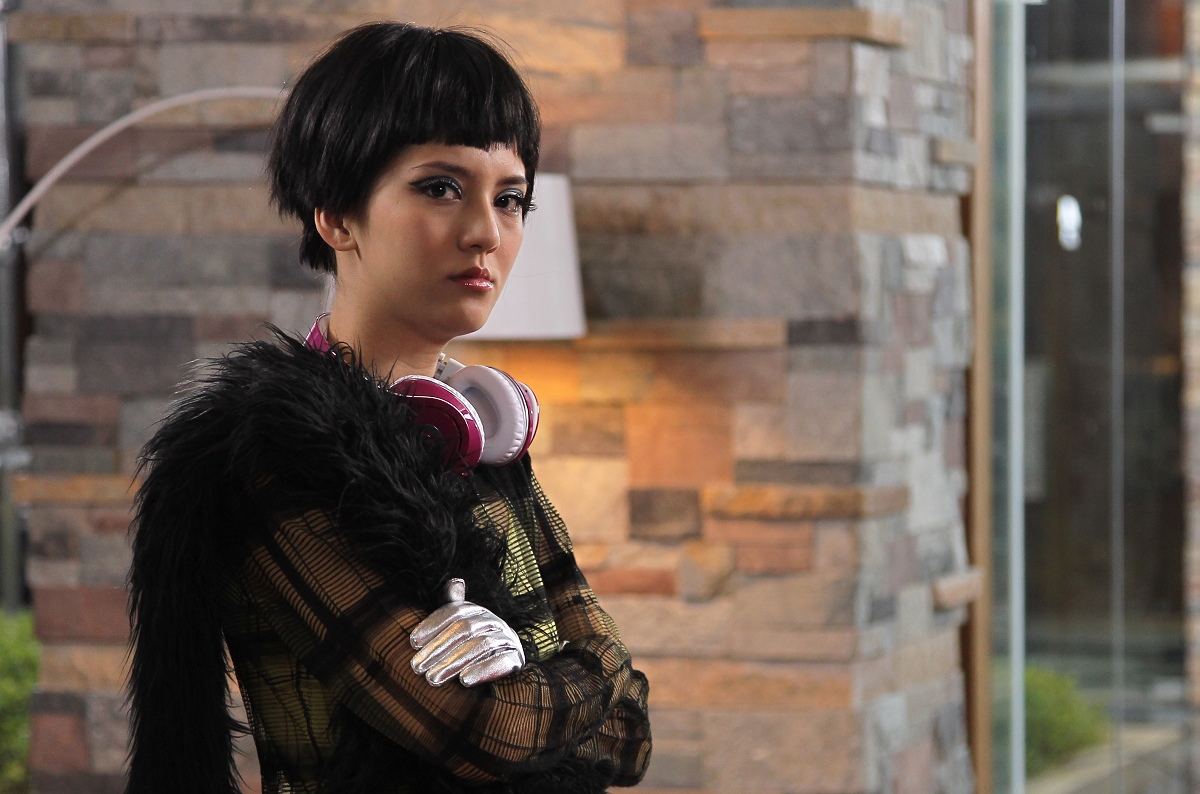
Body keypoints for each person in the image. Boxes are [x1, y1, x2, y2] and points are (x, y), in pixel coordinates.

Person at [124, 23, 651, 794]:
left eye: (510, 199)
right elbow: (490, 732)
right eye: (440, 188)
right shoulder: (273, 453)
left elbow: (632, 737)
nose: (486, 233)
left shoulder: (481, 438)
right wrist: (586, 670)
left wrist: (530, 666)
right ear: (336, 216)